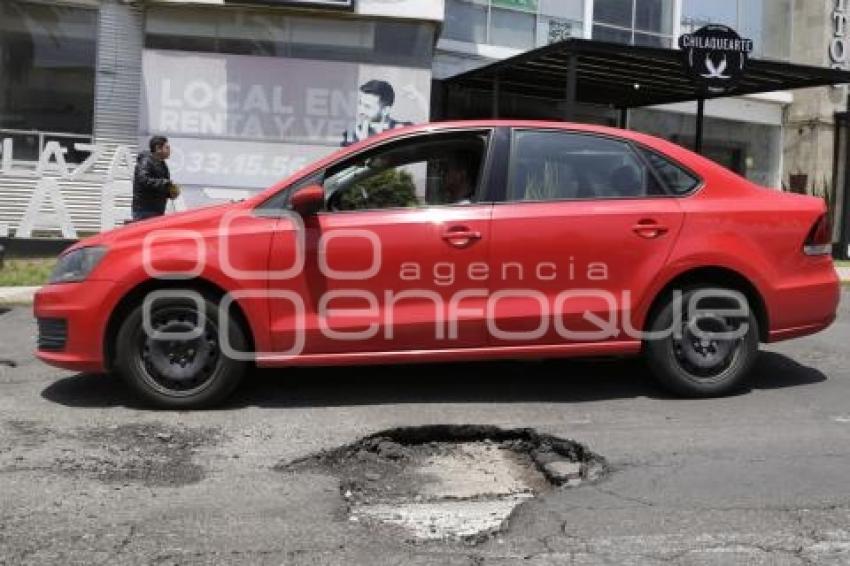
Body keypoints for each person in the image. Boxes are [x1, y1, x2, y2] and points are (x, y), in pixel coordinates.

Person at [342, 80, 412, 147]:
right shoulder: (352, 134)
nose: (361, 110)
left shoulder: (403, 131)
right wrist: (360, 144)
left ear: (385, 110)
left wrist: (420, 100)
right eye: (360, 103)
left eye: (367, 106)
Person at [132, 136, 181, 221]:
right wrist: (164, 183)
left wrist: (170, 192)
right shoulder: (146, 161)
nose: (170, 151)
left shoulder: (162, 164)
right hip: (145, 211)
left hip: (157, 211)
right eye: (167, 148)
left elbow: (159, 186)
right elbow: (143, 180)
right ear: (158, 148)